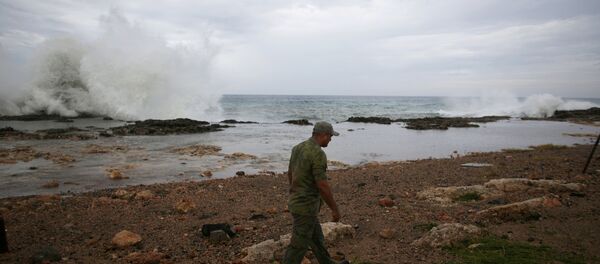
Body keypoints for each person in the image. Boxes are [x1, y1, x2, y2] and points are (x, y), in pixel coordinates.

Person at [283, 121, 348, 264]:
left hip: (298, 203)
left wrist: (295, 192)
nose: (331, 140)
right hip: (306, 207)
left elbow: (290, 174)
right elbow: (322, 185)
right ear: (323, 135)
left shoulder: (297, 148)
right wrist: (335, 210)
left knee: (317, 240)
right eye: (330, 136)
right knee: (298, 247)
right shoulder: (318, 154)